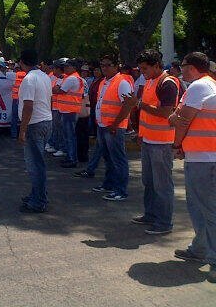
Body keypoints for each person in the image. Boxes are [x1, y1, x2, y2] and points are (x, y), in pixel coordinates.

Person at [168, 52, 216, 283]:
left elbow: (182, 120)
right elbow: (179, 117)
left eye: (183, 66)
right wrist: (175, 117)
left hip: (202, 158)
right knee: (200, 207)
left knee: (207, 209)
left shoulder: (197, 87)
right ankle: (199, 248)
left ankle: (213, 259)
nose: (181, 69)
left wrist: (177, 144)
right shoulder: (209, 85)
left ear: (193, 67)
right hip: (203, 155)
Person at [122, 49, 180, 235]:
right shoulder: (151, 81)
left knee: (162, 184)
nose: (142, 71)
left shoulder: (167, 83)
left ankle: (164, 223)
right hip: (149, 140)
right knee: (149, 181)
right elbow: (149, 112)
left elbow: (165, 112)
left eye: (145, 68)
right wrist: (141, 133)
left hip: (161, 142)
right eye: (140, 68)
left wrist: (137, 104)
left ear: (157, 65)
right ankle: (151, 214)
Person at [89, 55, 134, 201]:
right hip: (103, 125)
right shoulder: (104, 82)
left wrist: (115, 124)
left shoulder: (121, 82)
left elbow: (128, 104)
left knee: (118, 158)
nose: (104, 68)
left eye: (108, 65)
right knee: (108, 157)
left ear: (116, 66)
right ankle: (108, 184)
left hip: (114, 127)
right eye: (102, 65)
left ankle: (120, 190)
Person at [17, 49, 53, 214]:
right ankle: (37, 195)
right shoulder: (45, 76)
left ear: (22, 62)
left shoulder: (29, 79)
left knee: (35, 166)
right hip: (46, 121)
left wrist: (22, 130)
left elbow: (28, 106)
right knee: (38, 163)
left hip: (35, 124)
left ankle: (38, 201)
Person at [53, 59, 85, 168]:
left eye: (67, 67)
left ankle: (72, 158)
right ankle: (70, 156)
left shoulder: (71, 79)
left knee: (69, 136)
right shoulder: (71, 77)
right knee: (68, 135)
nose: (65, 69)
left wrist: (57, 87)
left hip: (69, 111)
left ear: (74, 68)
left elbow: (59, 90)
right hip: (69, 110)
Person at [10, 65, 26, 139]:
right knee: (24, 117)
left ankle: (14, 134)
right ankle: (24, 134)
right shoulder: (27, 74)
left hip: (16, 98)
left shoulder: (14, 75)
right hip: (24, 98)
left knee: (14, 117)